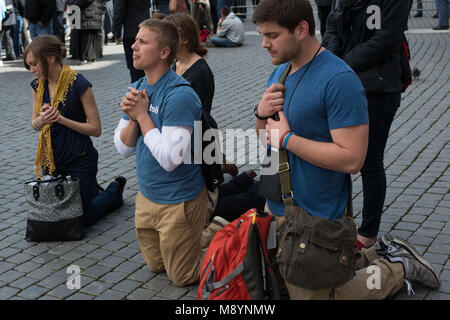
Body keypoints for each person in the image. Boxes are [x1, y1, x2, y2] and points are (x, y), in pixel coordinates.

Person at [252, 0, 439, 300]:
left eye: (272, 35)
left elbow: (353, 159)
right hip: (279, 207)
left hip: (316, 218)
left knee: (328, 296)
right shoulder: (281, 73)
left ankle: (397, 268)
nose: (264, 44)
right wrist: (260, 114)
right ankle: (364, 258)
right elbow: (267, 139)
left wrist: (289, 140)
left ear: (301, 29)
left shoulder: (338, 80)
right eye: (262, 35)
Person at [114, 19, 207, 287]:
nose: (133, 46)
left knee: (183, 277)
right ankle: (192, 238)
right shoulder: (137, 87)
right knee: (156, 265)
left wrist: (142, 116)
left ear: (164, 52)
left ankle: (219, 234)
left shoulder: (179, 95)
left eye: (143, 42)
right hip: (146, 197)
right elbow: (121, 149)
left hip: (178, 202)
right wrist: (134, 118)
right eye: (136, 40)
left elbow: (169, 160)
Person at [322, 0, 413, 250]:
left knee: (370, 162)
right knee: (335, 155)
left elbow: (387, 38)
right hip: (342, 82)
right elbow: (330, 26)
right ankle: (336, 221)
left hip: (378, 87)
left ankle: (367, 233)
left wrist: (344, 63)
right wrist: (333, 57)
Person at [24, 35, 126, 228]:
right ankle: (91, 191)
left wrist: (60, 119)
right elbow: (34, 124)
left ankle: (113, 191)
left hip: (80, 159)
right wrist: (42, 120)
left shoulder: (79, 84)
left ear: (51, 58)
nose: (32, 70)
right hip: (52, 161)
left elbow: (95, 129)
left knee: (82, 218)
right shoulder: (38, 86)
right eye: (29, 66)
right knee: (54, 215)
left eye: (34, 64)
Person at [165, 12, 215, 114]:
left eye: (169, 36)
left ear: (185, 39)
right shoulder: (177, 63)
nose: (164, 40)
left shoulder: (199, 71)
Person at [113, 0, 150, 82]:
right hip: (144, 25)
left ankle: (137, 88)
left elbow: (118, 10)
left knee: (134, 63)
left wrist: (117, 31)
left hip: (130, 28)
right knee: (145, 60)